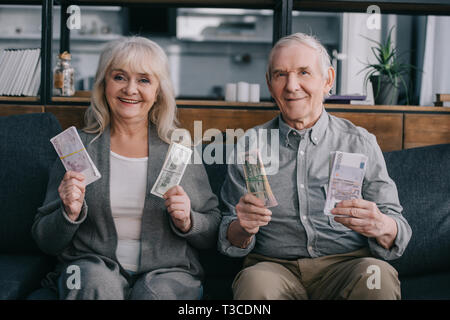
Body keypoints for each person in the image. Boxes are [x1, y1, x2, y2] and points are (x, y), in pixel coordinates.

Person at [218, 32, 412, 300]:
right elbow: (228, 233)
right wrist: (242, 228)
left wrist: (382, 225)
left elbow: (398, 226)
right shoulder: (250, 145)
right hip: (274, 268)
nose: (291, 85)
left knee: (377, 276)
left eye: (304, 72)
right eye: (280, 75)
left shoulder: (359, 142)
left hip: (347, 266)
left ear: (328, 79)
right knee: (254, 283)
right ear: (269, 83)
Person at [32, 36, 221, 300]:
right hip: (89, 267)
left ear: (158, 92)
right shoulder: (78, 148)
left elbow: (213, 231)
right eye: (119, 77)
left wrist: (189, 221)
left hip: (169, 271)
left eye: (144, 80)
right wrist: (68, 214)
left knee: (157, 295)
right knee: (94, 284)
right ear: (104, 85)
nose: (130, 89)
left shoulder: (178, 150)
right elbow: (44, 240)